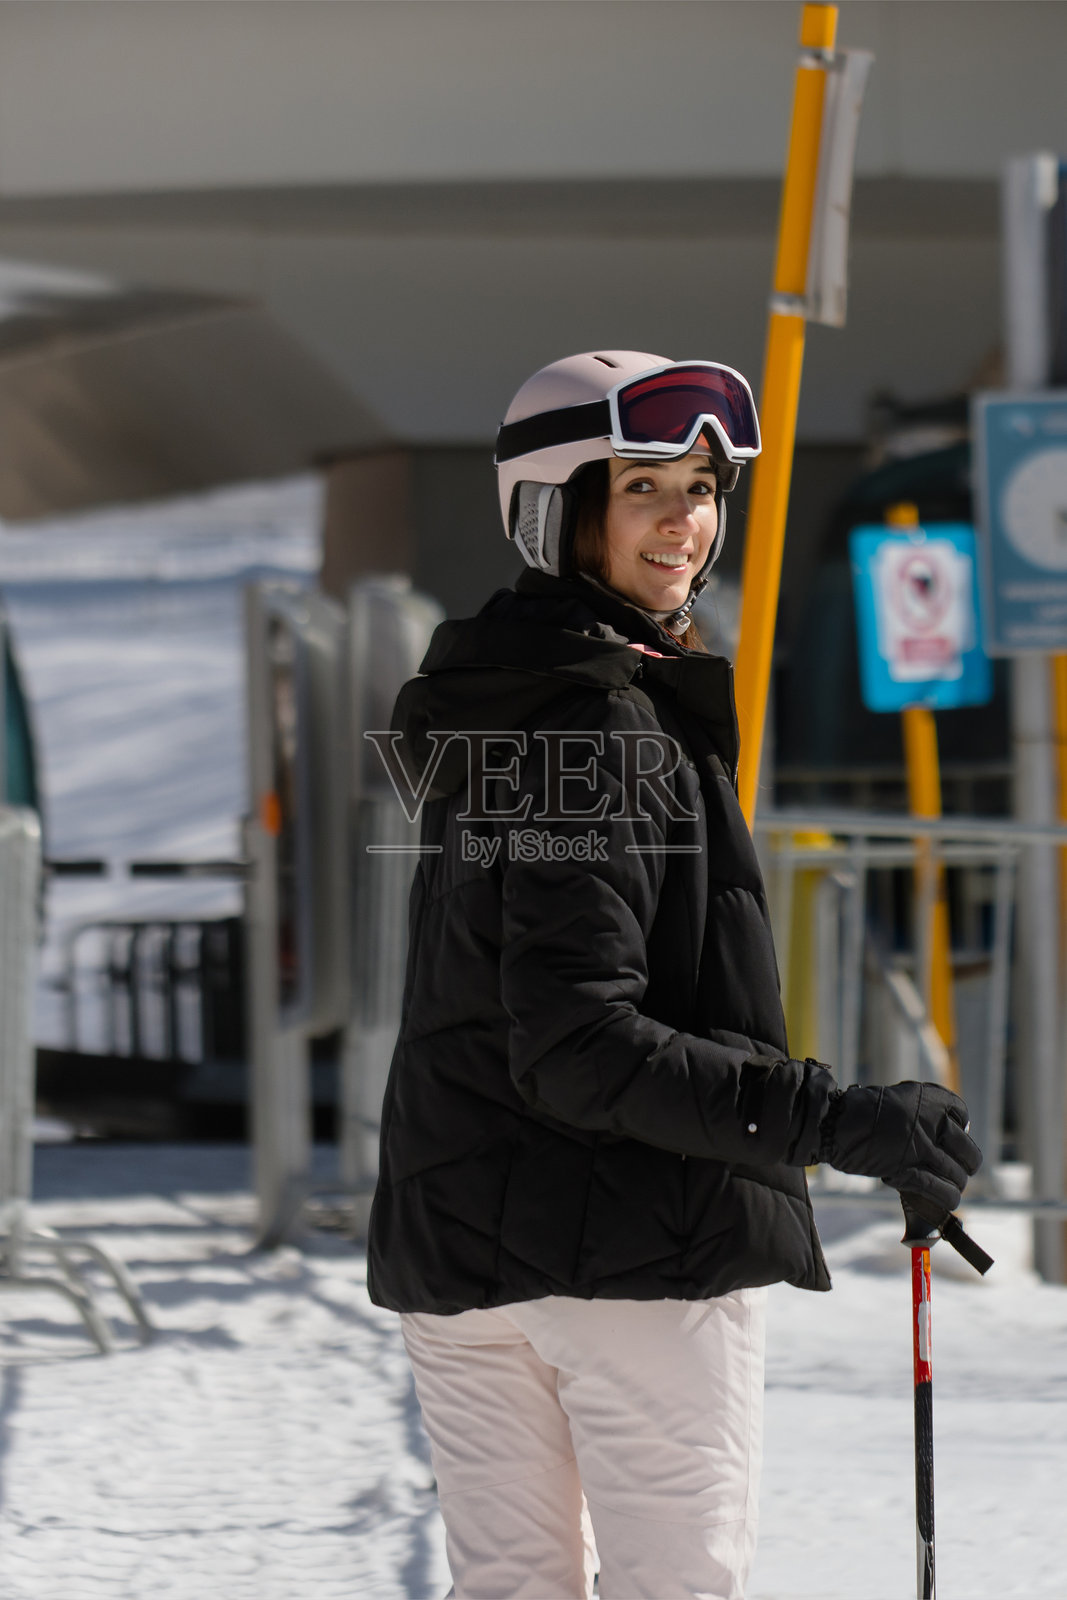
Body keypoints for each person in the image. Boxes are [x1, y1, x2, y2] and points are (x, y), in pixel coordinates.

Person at [367, 351, 981, 1600]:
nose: (684, 521)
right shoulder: (602, 728)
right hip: (630, 1263)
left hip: (464, 1253)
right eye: (642, 486)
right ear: (559, 512)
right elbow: (579, 1042)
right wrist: (845, 1120)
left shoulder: (502, 705)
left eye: (700, 488)